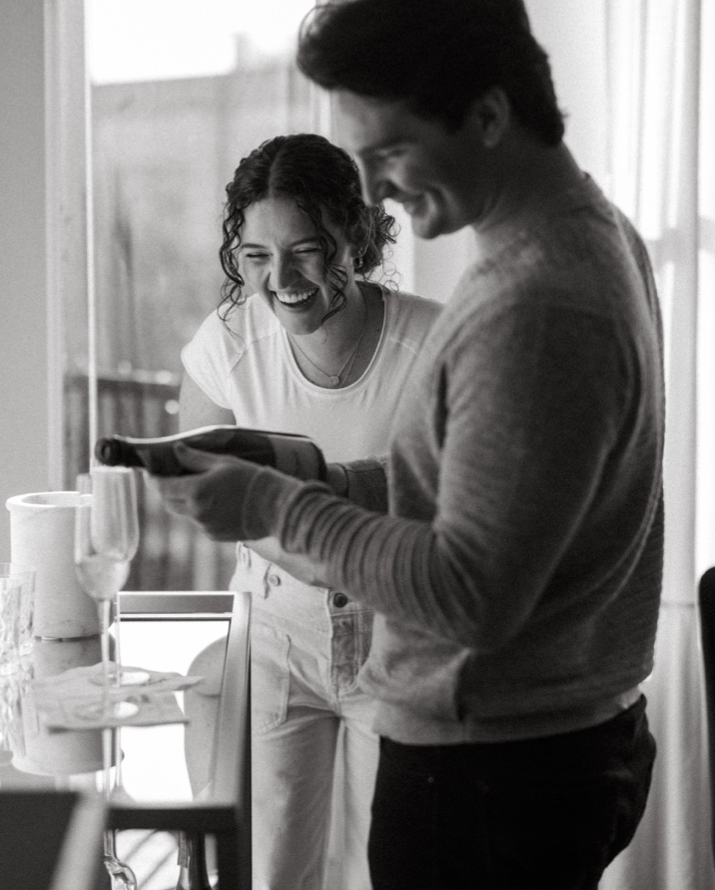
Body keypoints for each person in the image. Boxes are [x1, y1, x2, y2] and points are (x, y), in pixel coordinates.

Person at [154, 0, 664, 888]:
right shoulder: (593, 235)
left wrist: (273, 503)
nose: (376, 187)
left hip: (489, 773)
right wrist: (311, 470)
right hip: (544, 750)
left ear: (490, 113)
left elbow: (468, 589)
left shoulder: (535, 302)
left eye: (391, 149)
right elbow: (485, 486)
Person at [176, 133, 442, 890]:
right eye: (256, 256)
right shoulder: (228, 345)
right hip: (273, 638)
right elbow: (204, 497)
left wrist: (294, 511)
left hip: (400, 643)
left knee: (381, 868)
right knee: (267, 868)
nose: (279, 279)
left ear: (355, 237)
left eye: (306, 250)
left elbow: (453, 511)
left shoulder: (437, 342)